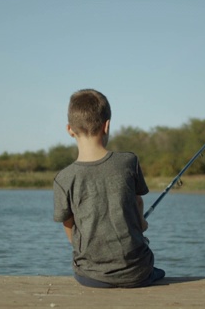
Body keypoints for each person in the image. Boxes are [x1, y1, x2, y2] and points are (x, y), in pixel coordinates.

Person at [53, 89, 165, 288]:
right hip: (137, 273)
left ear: (70, 129)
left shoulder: (63, 178)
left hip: (90, 276)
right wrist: (142, 224)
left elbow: (68, 224)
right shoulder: (129, 162)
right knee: (155, 269)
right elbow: (137, 203)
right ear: (107, 125)